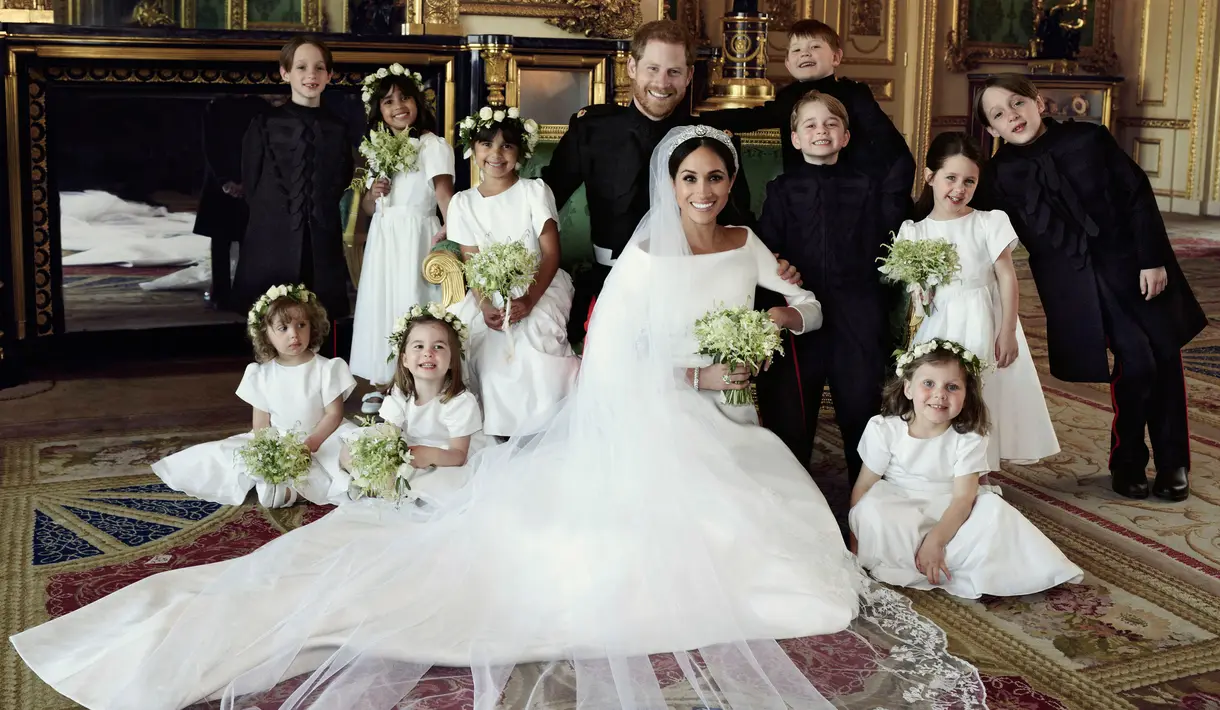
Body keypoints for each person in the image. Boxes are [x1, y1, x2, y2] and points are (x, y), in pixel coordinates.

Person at [9, 126, 984, 710]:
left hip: (727, 411)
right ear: (669, 186)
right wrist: (686, 370)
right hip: (657, 415)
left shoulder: (743, 237)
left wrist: (775, 317)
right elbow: (616, 353)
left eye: (715, 180)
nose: (703, 192)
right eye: (689, 180)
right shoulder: (644, 260)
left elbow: (801, 303)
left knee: (785, 537)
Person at [974, 73, 1207, 501]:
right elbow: (975, 223)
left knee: (1164, 356)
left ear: (1038, 102)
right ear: (992, 130)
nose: (1012, 115)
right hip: (1074, 286)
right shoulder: (999, 174)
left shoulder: (1089, 139)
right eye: (999, 114)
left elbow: (1136, 195)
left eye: (1017, 103)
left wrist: (1152, 258)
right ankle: (1129, 459)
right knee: (1138, 360)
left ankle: (1173, 463)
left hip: (1133, 266)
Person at [541, 19, 766, 342]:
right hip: (612, 280)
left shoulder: (710, 140)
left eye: (674, 72)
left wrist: (774, 261)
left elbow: (739, 223)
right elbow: (545, 198)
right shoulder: (591, 130)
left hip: (692, 285)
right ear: (631, 67)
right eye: (652, 68)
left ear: (689, 76)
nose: (662, 82)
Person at [849, 338, 1083, 598]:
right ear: (908, 388)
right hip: (900, 507)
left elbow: (963, 499)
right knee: (872, 508)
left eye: (952, 387)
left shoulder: (969, 437)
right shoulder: (884, 429)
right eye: (928, 383)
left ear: (966, 395)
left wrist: (936, 540)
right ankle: (910, 559)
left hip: (951, 509)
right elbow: (864, 487)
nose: (940, 394)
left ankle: (939, 556)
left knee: (994, 510)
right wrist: (855, 547)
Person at [897, 132, 1059, 470]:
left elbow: (1006, 278)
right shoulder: (914, 231)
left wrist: (1008, 331)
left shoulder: (988, 222)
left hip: (984, 319)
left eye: (969, 181)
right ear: (930, 177)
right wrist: (920, 290)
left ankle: (980, 472)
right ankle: (944, 466)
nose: (959, 188)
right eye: (950, 178)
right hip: (939, 323)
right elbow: (915, 288)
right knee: (942, 391)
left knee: (983, 392)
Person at [754, 92, 891, 484]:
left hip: (857, 310)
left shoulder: (867, 187)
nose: (821, 131)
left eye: (831, 124)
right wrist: (778, 262)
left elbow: (884, 244)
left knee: (862, 405)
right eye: (810, 125)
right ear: (795, 138)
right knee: (790, 412)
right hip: (801, 312)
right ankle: (792, 495)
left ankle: (865, 500)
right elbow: (768, 248)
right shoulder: (780, 189)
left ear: (845, 137)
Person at [152, 284, 357, 508]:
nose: (294, 334)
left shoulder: (327, 369)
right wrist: (271, 453)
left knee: (348, 456)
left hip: (322, 437)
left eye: (301, 325)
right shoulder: (261, 374)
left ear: (312, 326)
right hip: (281, 441)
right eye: (283, 328)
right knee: (229, 458)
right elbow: (261, 423)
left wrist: (310, 444)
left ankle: (309, 488)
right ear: (266, 334)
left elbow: (333, 414)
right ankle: (286, 489)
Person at [448, 106, 579, 437]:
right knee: (485, 346)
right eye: (486, 144)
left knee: (534, 343)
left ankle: (546, 425)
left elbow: (550, 254)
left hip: (539, 285)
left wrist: (530, 300)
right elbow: (473, 264)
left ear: (520, 151)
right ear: (473, 149)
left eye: (506, 145)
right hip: (488, 291)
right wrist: (484, 304)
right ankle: (497, 428)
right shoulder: (462, 203)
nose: (496, 154)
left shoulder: (534, 191)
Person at [704, 19, 914, 220]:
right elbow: (753, 118)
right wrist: (699, 118)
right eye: (796, 49)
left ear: (836, 57)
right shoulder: (788, 99)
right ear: (788, 63)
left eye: (814, 47)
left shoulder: (854, 93)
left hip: (855, 193)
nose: (805, 53)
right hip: (805, 194)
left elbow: (889, 144)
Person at [349, 63, 455, 415]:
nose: (398, 106)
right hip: (385, 238)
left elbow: (444, 195)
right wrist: (373, 192)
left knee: (412, 302)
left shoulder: (431, 145)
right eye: (388, 101)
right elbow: (367, 206)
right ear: (378, 111)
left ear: (418, 102)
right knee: (384, 305)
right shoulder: (378, 149)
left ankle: (414, 384)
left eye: (405, 97)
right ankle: (382, 382)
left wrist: (450, 229)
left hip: (415, 236)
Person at [231, 36, 356, 332]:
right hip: (271, 238)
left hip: (321, 239)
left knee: (319, 321)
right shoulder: (263, 124)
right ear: (285, 73)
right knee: (270, 321)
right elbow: (251, 180)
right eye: (301, 67)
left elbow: (341, 179)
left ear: (329, 75)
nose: (310, 75)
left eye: (319, 68)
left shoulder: (338, 128)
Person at [342, 303, 488, 507]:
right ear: (404, 360)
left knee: (435, 484)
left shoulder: (460, 402)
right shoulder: (400, 394)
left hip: (444, 455)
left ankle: (388, 488)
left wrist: (425, 454)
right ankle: (371, 479)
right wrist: (384, 455)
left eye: (438, 346)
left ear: (453, 360)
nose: (428, 353)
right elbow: (388, 433)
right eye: (419, 346)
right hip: (408, 449)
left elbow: (459, 456)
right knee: (350, 449)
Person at [194, 94, 271, 311]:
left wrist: (250, 181)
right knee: (221, 241)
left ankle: (246, 292)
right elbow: (211, 146)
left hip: (252, 182)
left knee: (250, 241)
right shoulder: (217, 106)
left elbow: (264, 145)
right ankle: (222, 292)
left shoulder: (259, 106)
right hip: (223, 183)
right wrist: (225, 180)